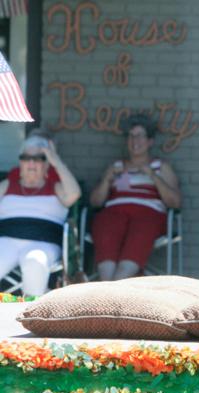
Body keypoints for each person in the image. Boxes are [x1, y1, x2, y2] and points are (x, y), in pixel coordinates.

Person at [89, 114, 182, 281]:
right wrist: (106, 179)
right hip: (115, 212)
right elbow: (95, 201)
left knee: (142, 229)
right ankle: (107, 283)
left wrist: (153, 176)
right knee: (104, 223)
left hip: (148, 213)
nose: (134, 141)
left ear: (150, 141)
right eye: (131, 136)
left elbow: (175, 202)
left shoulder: (160, 167)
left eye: (139, 136)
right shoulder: (116, 166)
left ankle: (116, 284)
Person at [0, 135, 81, 295]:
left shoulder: (56, 187)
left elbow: (74, 194)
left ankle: (29, 312)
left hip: (43, 242)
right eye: (26, 158)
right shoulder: (8, 185)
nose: (31, 163)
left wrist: (56, 160)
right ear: (20, 162)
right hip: (6, 241)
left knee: (34, 261)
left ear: (47, 164)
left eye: (38, 158)